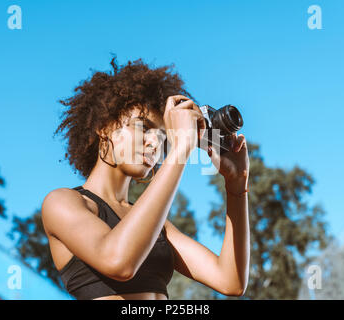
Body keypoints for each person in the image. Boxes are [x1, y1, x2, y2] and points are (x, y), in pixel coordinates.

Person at [41, 57, 250, 300]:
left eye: (163, 135)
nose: (155, 143)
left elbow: (230, 281)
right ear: (104, 127)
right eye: (142, 127)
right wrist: (181, 148)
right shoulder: (63, 202)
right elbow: (119, 262)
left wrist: (237, 187)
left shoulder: (157, 226)